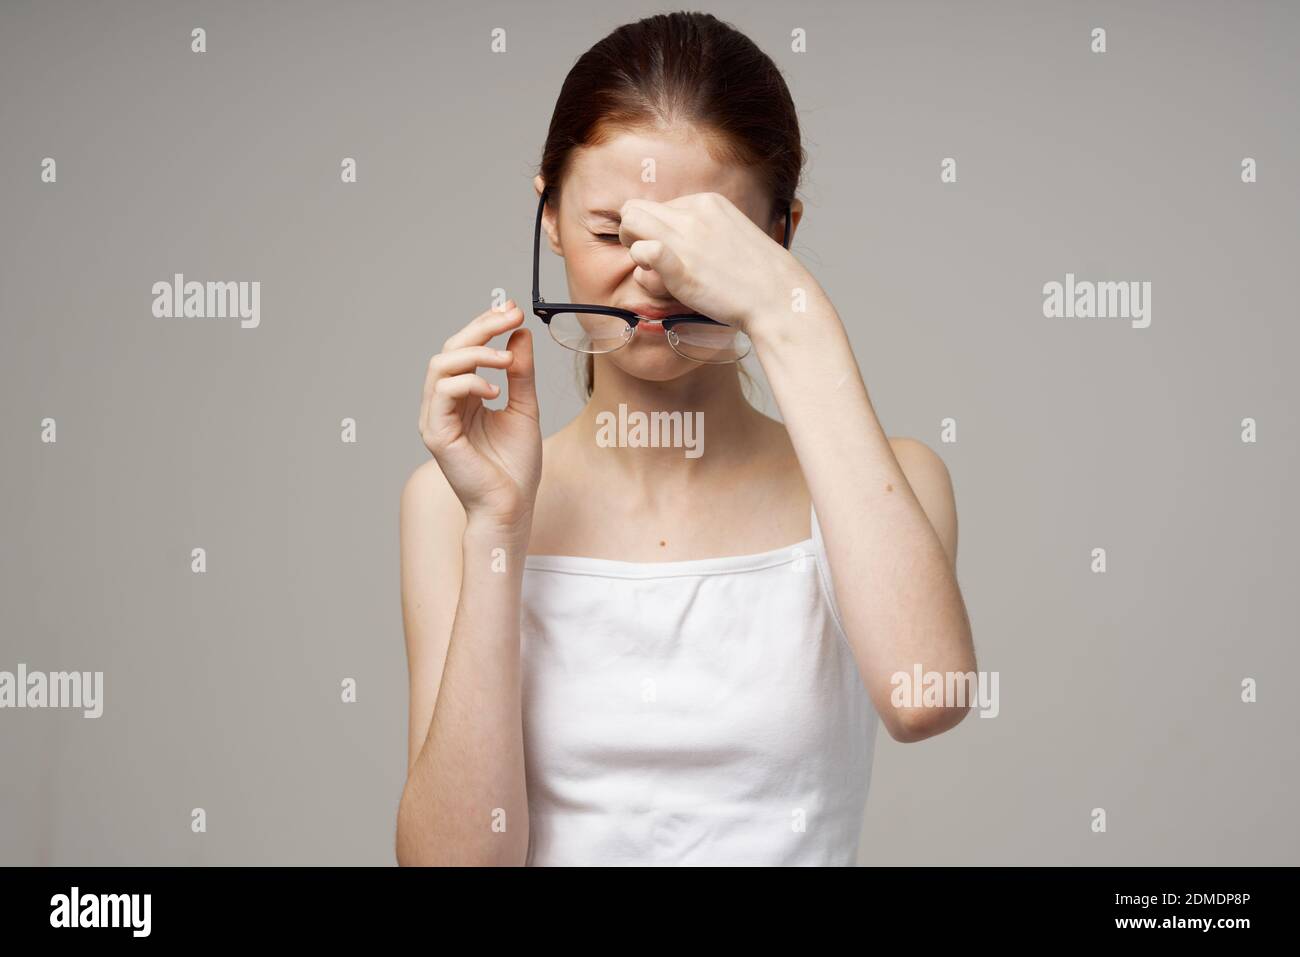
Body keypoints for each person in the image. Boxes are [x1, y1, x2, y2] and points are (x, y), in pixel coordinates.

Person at [397, 11, 977, 866]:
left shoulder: (895, 481)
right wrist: (499, 524)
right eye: (610, 231)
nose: (656, 271)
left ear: (780, 234)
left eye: (705, 239)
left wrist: (792, 313)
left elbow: (928, 698)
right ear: (549, 216)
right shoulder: (451, 504)